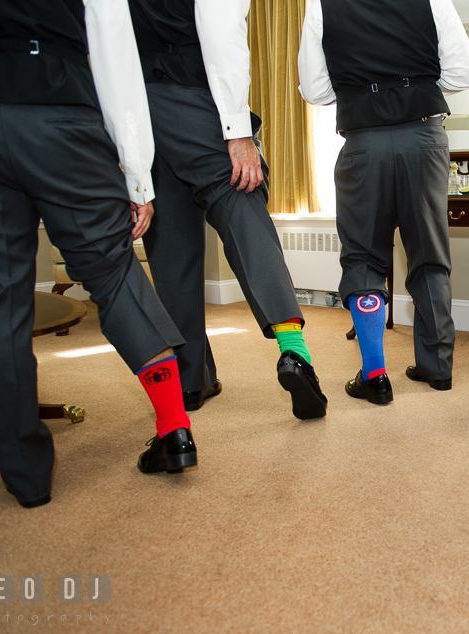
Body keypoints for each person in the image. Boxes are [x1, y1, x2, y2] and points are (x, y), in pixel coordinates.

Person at [0, 0, 198, 508]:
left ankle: (26, 479)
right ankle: (175, 430)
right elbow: (112, 44)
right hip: (62, 114)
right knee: (114, 274)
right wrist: (136, 170)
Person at [127, 0, 327, 420]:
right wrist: (238, 131)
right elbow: (223, 35)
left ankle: (191, 381)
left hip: (141, 115)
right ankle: (295, 354)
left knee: (172, 254)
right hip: (197, 103)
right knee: (246, 214)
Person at [298, 0, 469, 404]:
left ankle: (376, 373)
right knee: (429, 256)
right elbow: (465, 72)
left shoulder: (321, 5)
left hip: (364, 143)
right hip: (424, 137)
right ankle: (437, 370)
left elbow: (314, 90)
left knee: (363, 257)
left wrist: (358, 89)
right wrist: (415, 87)